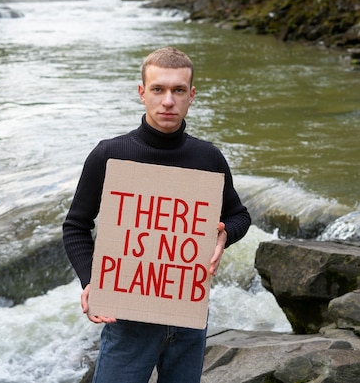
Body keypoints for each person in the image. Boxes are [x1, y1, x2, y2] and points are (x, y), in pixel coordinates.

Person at [63, 47, 251, 383]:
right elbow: (76, 225)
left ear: (191, 96)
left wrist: (224, 235)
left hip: (188, 317)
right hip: (126, 319)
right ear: (142, 93)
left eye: (178, 90)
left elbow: (239, 216)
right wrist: (91, 280)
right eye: (158, 90)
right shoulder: (110, 154)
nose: (168, 101)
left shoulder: (208, 157)